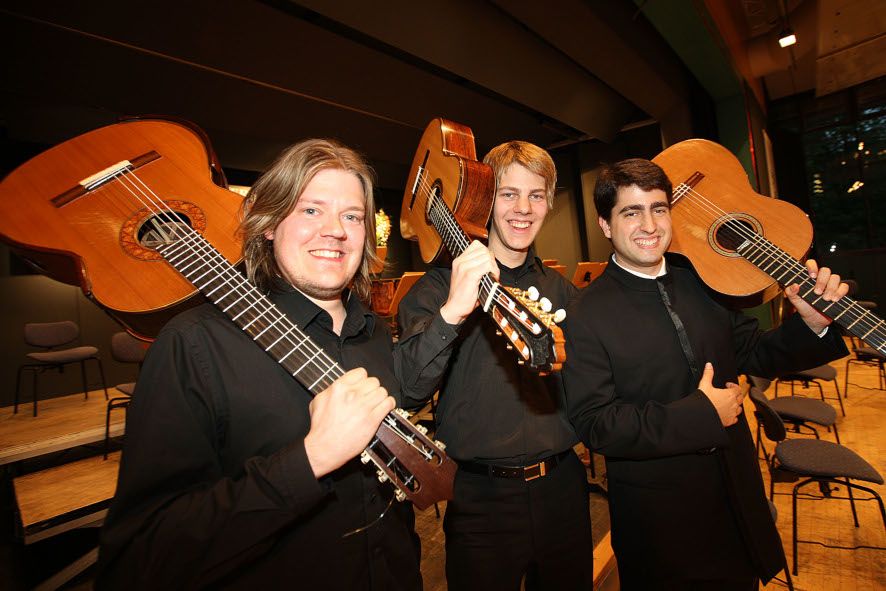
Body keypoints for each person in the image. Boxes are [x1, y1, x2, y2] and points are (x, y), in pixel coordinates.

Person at [96, 139, 422, 590]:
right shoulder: (194, 345)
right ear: (269, 225)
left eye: (352, 216)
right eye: (310, 210)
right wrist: (311, 459)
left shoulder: (375, 334)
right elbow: (140, 557)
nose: (335, 230)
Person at [563, 158, 849, 590]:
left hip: (735, 501)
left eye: (659, 208)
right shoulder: (585, 313)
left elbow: (754, 351)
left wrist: (811, 323)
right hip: (662, 525)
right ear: (605, 225)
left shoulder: (703, 282)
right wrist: (701, 414)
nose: (649, 224)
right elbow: (597, 424)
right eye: (631, 212)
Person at [397, 141, 593, 590]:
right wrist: (452, 311)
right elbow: (408, 391)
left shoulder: (563, 292)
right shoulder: (435, 290)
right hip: (479, 500)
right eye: (508, 194)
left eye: (537, 195)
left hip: (562, 489)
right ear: (486, 202)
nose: (523, 208)